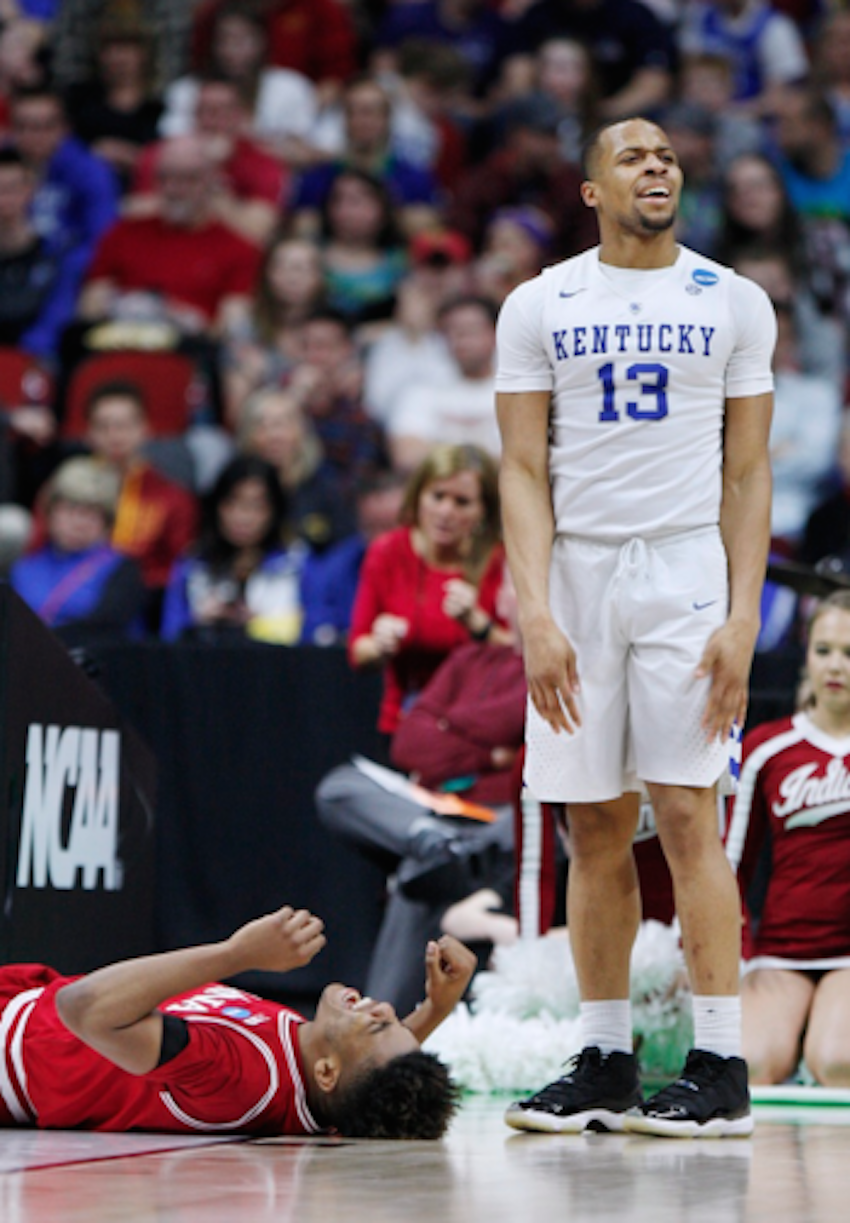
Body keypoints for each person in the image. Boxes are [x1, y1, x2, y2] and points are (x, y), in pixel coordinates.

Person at [494, 115, 775, 1138]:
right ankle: (606, 1054)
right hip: (577, 572)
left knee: (688, 812)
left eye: (666, 155)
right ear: (590, 189)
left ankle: (719, 1062)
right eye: (632, 155)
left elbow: (747, 474)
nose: (657, 166)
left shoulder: (732, 300)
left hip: (684, 566)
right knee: (591, 822)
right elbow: (521, 469)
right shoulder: (538, 303)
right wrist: (533, 608)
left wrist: (744, 616)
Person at [0, 900, 473, 1137]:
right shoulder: (318, 1078)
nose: (386, 1008)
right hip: (24, 998)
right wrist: (436, 1007)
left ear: (327, 1072)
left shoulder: (239, 1076)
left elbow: (83, 1009)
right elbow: (370, 1078)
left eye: (378, 1023)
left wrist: (235, 954)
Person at [317, 563, 527, 1015]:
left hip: (502, 816)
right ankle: (433, 841)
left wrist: (449, 725)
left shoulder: (564, 670)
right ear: (502, 598)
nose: (526, 592)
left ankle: (377, 1026)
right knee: (339, 786)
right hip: (432, 813)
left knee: (423, 872)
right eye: (516, 582)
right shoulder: (468, 659)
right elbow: (410, 743)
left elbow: (520, 718)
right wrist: (489, 750)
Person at [726, 592, 850, 1087]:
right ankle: (798, 1033)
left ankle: (820, 1036)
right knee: (751, 1069)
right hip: (781, 950)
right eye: (823, 650)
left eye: (849, 652)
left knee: (840, 1064)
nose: (835, 665)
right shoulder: (767, 747)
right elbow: (729, 863)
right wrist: (734, 956)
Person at [349, 442, 505, 738]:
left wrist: (479, 626)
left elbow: (523, 655)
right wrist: (380, 645)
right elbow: (358, 651)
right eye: (437, 496)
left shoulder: (499, 562)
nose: (446, 511)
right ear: (417, 497)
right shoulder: (387, 552)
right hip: (404, 725)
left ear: (483, 512)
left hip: (477, 732)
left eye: (462, 502)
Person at [160, 454, 317, 645]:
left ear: (274, 511)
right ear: (217, 506)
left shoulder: (297, 562)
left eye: (256, 506)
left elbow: (313, 634)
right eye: (231, 503)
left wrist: (257, 626)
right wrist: (200, 622)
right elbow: (169, 637)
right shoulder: (193, 564)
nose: (242, 517)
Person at [10, 455, 146, 645]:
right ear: (49, 513)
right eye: (69, 510)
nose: (79, 523)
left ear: (107, 524)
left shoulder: (123, 568)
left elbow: (106, 628)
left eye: (91, 514)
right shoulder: (23, 567)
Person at [388, 295, 500, 473]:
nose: (462, 339)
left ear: (496, 333)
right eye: (453, 331)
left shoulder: (517, 389)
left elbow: (524, 460)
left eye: (471, 330)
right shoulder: (420, 390)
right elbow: (407, 456)